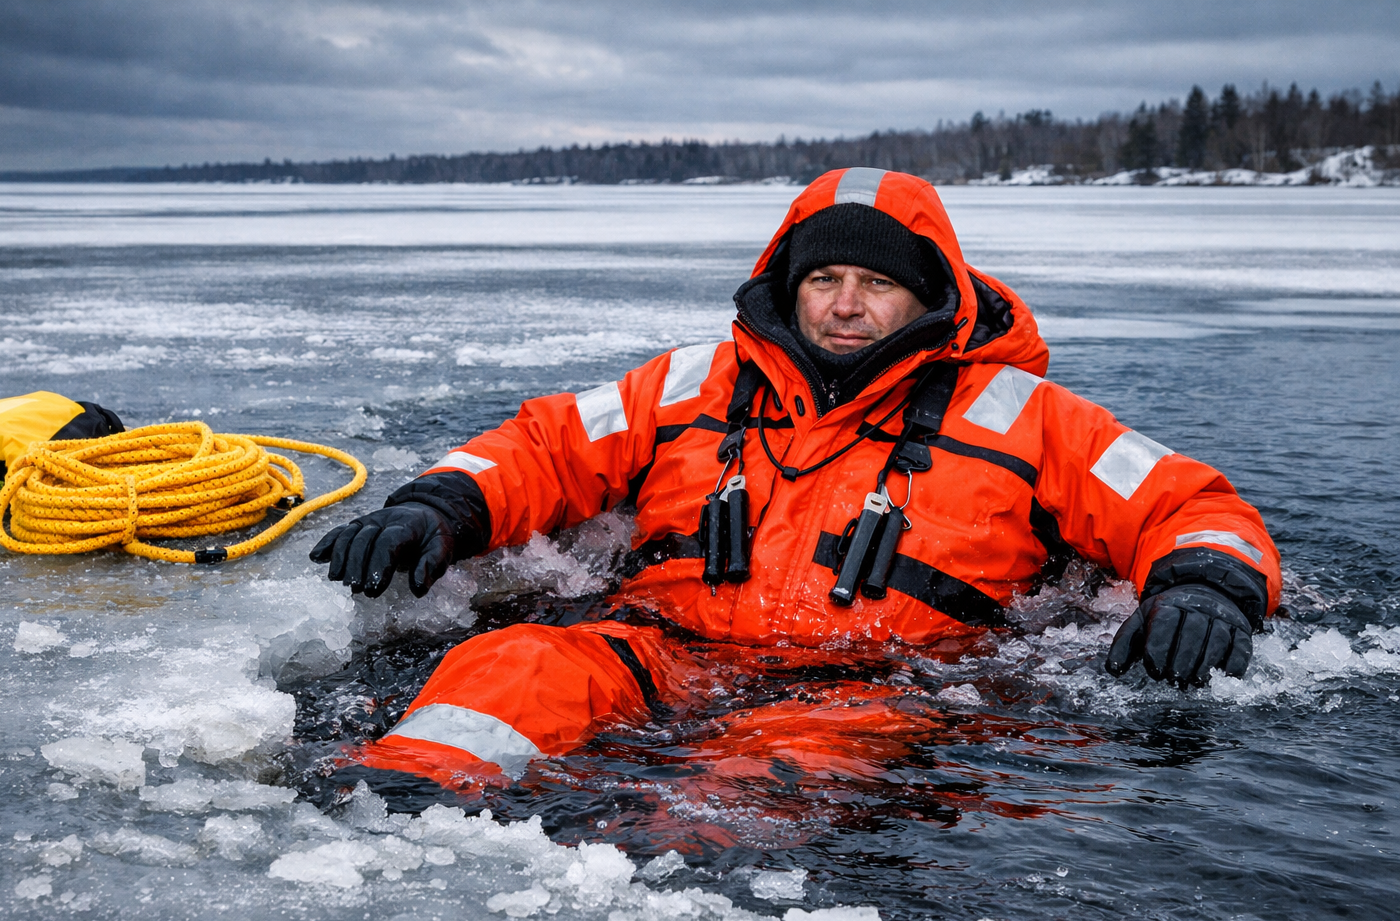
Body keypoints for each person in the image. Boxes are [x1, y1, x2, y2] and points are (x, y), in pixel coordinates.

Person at [310, 168, 1279, 798]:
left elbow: (1191, 504)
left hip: (869, 688)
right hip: (659, 646)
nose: (848, 304)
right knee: (512, 666)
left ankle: (665, 919)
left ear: (927, 295)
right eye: (825, 280)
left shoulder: (1026, 414)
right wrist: (435, 507)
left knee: (755, 789)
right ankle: (375, 829)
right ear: (790, 286)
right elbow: (547, 446)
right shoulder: (695, 383)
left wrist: (1204, 583)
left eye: (876, 282)